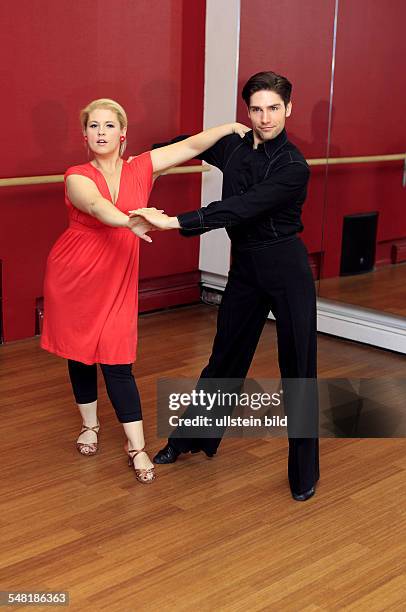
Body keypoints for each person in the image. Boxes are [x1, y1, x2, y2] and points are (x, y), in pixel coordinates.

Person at [40, 97, 249, 484]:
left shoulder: (143, 167)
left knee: (117, 359)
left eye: (108, 126)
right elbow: (97, 206)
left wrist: (228, 128)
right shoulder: (76, 175)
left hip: (117, 276)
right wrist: (132, 220)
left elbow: (188, 147)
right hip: (75, 275)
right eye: (93, 126)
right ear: (84, 135)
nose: (101, 132)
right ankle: (90, 425)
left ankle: (134, 446)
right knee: (81, 353)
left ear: (123, 134)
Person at [131, 72, 320, 500]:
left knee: (298, 369)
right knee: (225, 358)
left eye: (274, 108)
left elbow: (241, 207)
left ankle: (304, 472)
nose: (265, 117)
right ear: (246, 111)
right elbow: (183, 145)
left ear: (289, 109)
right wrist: (140, 170)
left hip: (286, 266)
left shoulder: (293, 167)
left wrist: (176, 221)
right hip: (247, 267)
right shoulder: (233, 145)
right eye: (256, 109)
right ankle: (194, 438)